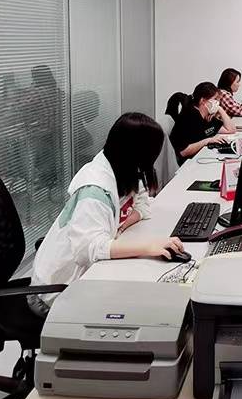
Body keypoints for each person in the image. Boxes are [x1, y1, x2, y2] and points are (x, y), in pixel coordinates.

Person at [29, 113, 184, 312]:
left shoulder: (124, 170)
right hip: (55, 293)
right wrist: (148, 246)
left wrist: (121, 225)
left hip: (85, 276)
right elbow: (88, 250)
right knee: (141, 309)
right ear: (135, 153)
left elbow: (143, 206)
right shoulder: (95, 190)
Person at [166, 81, 236, 164]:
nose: (217, 103)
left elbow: (231, 129)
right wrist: (207, 141)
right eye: (214, 100)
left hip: (201, 156)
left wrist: (220, 109)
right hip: (187, 163)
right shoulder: (188, 117)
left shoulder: (207, 115)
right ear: (203, 100)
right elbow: (183, 152)